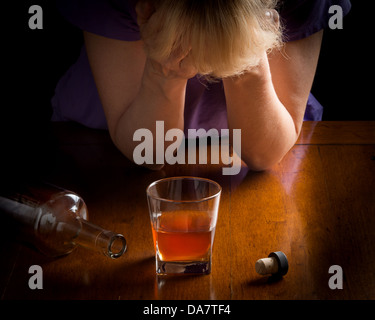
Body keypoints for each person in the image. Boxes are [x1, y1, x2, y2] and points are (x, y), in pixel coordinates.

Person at [52, 0, 351, 171]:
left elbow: (264, 155)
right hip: (104, 143)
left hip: (263, 134)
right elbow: (150, 153)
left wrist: (245, 58)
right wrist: (163, 71)